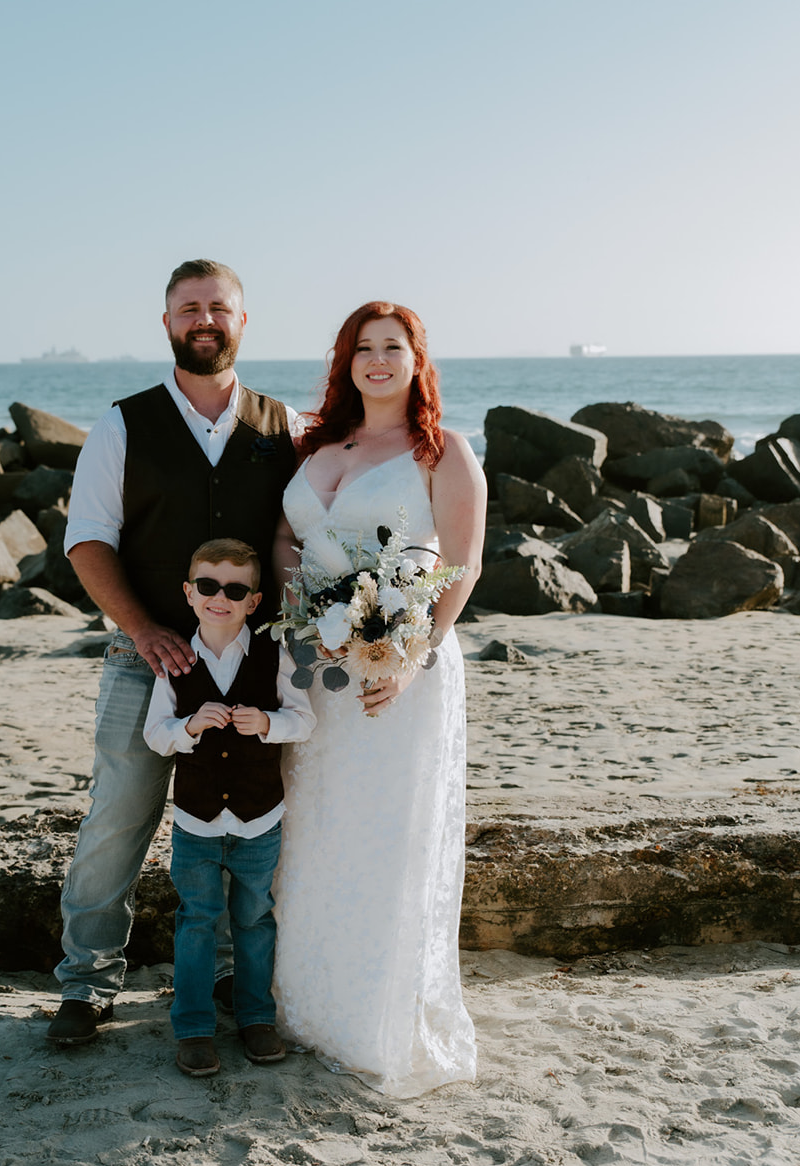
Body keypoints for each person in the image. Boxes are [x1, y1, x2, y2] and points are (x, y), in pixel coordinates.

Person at [48, 260, 297, 1046]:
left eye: (217, 307)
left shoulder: (282, 424)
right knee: (117, 823)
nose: (203, 319)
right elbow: (86, 541)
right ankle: (86, 984)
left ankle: (226, 977)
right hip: (142, 662)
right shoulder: (124, 424)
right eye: (187, 308)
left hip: (247, 671)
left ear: (242, 321)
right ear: (165, 323)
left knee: (236, 822)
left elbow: (308, 536)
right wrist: (142, 630)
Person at [271, 301, 486, 1097]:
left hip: (399, 674)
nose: (377, 361)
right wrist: (309, 611)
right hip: (316, 666)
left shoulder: (442, 452)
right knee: (316, 828)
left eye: (392, 347)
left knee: (388, 835)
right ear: (345, 360)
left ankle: (376, 1017)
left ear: (416, 359)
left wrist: (411, 653)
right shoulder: (318, 444)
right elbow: (286, 539)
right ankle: (307, 1008)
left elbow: (459, 566)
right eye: (363, 348)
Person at [142, 538, 315, 1077]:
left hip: (259, 817)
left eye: (235, 590)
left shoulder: (274, 654)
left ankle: (255, 1018)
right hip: (194, 820)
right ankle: (193, 1027)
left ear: (254, 601)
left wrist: (267, 724)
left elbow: (304, 720)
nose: (221, 597)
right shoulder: (176, 660)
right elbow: (155, 735)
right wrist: (189, 727)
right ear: (190, 594)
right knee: (196, 920)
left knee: (254, 919)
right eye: (209, 587)